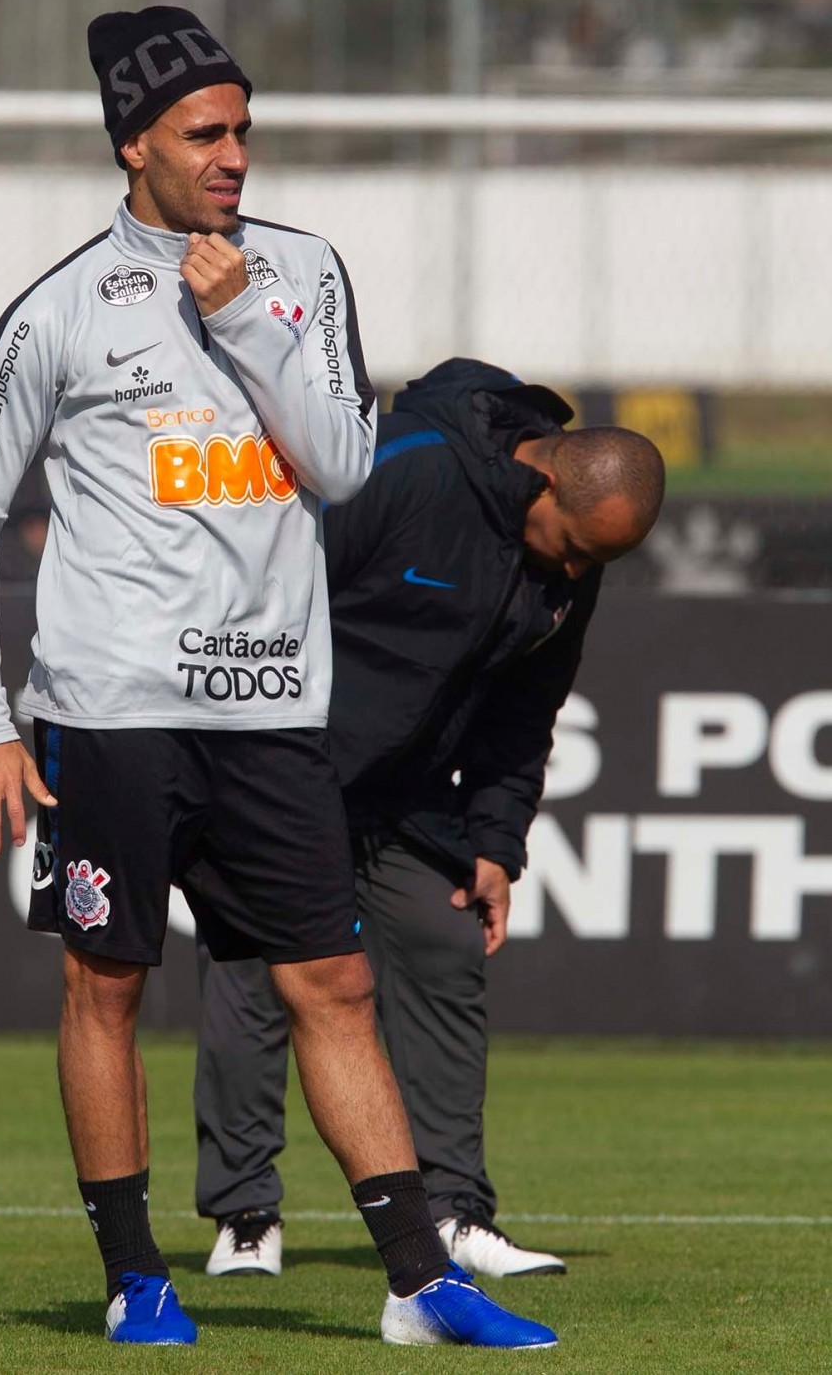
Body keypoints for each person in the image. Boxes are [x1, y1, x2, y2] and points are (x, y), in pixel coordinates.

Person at [0, 8, 559, 1351]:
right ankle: (133, 1276)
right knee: (107, 984)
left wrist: (248, 321)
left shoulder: (302, 271)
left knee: (329, 983)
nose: (235, 157)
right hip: (111, 713)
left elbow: (336, 462)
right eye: (206, 134)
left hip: (273, 709)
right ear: (132, 143)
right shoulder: (54, 312)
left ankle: (416, 1283)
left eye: (244, 130)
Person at [193, 359, 665, 1280]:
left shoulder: (569, 559)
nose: (573, 572)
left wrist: (495, 842)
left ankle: (454, 1214)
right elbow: (262, 593)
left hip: (407, 794)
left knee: (442, 947)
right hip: (285, 770)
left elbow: (524, 711)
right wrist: (230, 761)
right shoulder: (402, 469)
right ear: (541, 478)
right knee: (256, 979)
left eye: (592, 564)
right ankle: (246, 1215)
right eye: (571, 547)